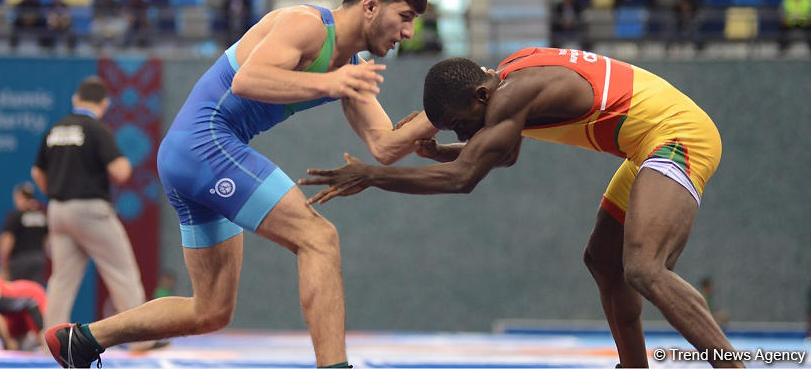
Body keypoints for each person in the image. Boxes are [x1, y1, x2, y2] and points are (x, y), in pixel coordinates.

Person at [44, 0, 436, 369]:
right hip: (204, 143)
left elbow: (385, 144)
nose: (408, 33)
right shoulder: (307, 24)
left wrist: (446, 114)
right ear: (371, 6)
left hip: (193, 156)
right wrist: (328, 82)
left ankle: (82, 341)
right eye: (405, 16)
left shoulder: (352, 66)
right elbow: (246, 80)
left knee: (211, 310)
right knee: (319, 239)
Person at [302, 47, 742, 368]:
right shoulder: (504, 85)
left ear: (479, 96)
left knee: (645, 268)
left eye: (461, 124)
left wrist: (372, 175)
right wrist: (441, 152)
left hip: (679, 137)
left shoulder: (514, 94)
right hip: (646, 146)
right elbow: (502, 154)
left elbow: (465, 178)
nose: (464, 132)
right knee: (604, 262)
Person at [31, 77, 147, 337]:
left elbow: (37, 172)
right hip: (90, 210)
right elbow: (120, 171)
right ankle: (141, 337)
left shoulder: (56, 129)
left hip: (58, 210)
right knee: (122, 272)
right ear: (104, 104)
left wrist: (55, 191)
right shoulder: (97, 129)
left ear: (75, 99)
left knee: (62, 279)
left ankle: (50, 338)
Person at [0, 182, 48, 284]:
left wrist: (3, 262)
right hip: (38, 259)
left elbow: (7, 239)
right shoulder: (42, 216)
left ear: (19, 197)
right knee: (34, 291)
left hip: (19, 260)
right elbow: (47, 240)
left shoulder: (16, 215)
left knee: (18, 293)